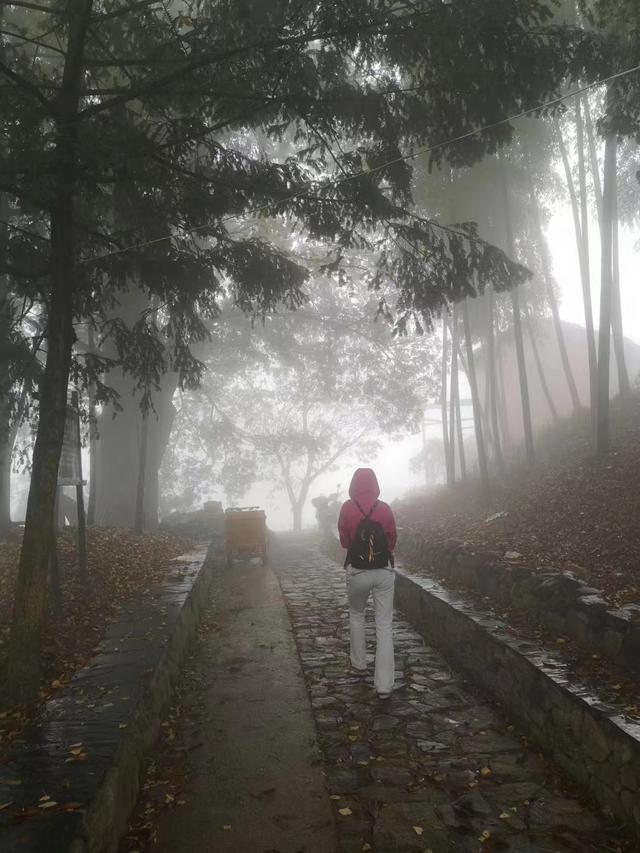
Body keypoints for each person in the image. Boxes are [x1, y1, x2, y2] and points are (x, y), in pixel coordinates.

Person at [338, 468, 397, 699]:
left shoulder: (346, 507)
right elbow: (392, 540)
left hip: (357, 572)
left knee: (356, 614)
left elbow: (344, 541)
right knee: (384, 625)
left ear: (354, 484)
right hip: (383, 572)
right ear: (375, 484)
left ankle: (359, 663)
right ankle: (384, 686)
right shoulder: (384, 508)